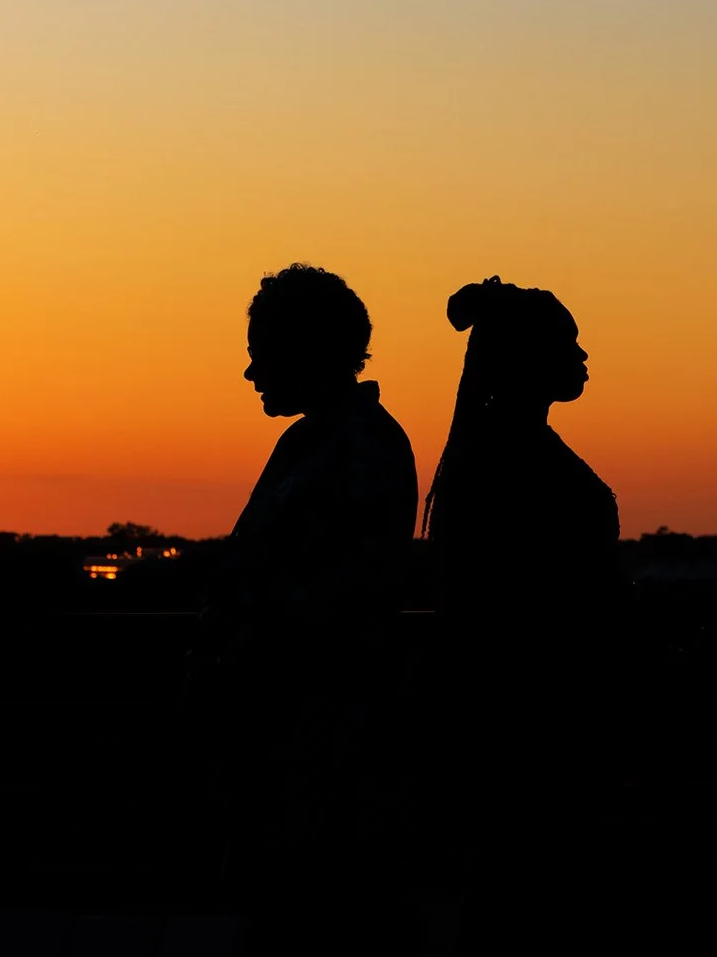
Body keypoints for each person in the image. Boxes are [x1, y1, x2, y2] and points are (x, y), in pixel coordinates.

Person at [192, 264, 418, 951]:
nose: (251, 370)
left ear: (306, 351)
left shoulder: (360, 447)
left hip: (322, 753)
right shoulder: (318, 443)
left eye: (262, 349)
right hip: (291, 744)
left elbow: (350, 587)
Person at [422, 276, 620, 952]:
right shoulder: (519, 466)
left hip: (514, 726)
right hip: (534, 727)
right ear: (528, 358)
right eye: (568, 343)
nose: (584, 355)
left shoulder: (485, 460)